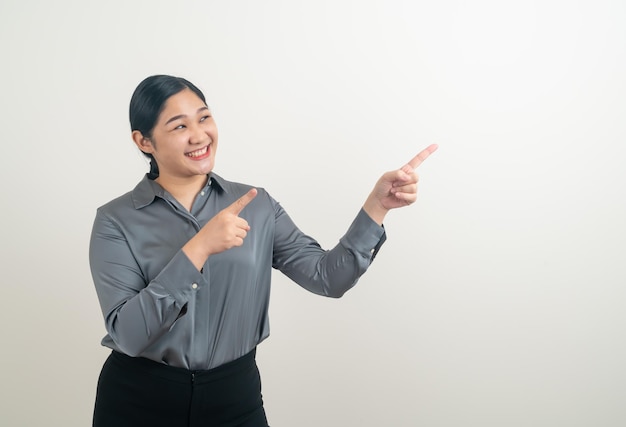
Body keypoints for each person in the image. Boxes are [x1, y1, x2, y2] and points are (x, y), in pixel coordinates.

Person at [89, 74, 437, 427]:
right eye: (179, 126)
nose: (199, 135)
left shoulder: (256, 205)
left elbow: (327, 279)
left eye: (204, 117)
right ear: (144, 141)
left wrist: (377, 208)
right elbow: (129, 335)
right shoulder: (115, 221)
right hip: (138, 402)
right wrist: (199, 249)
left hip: (234, 398)